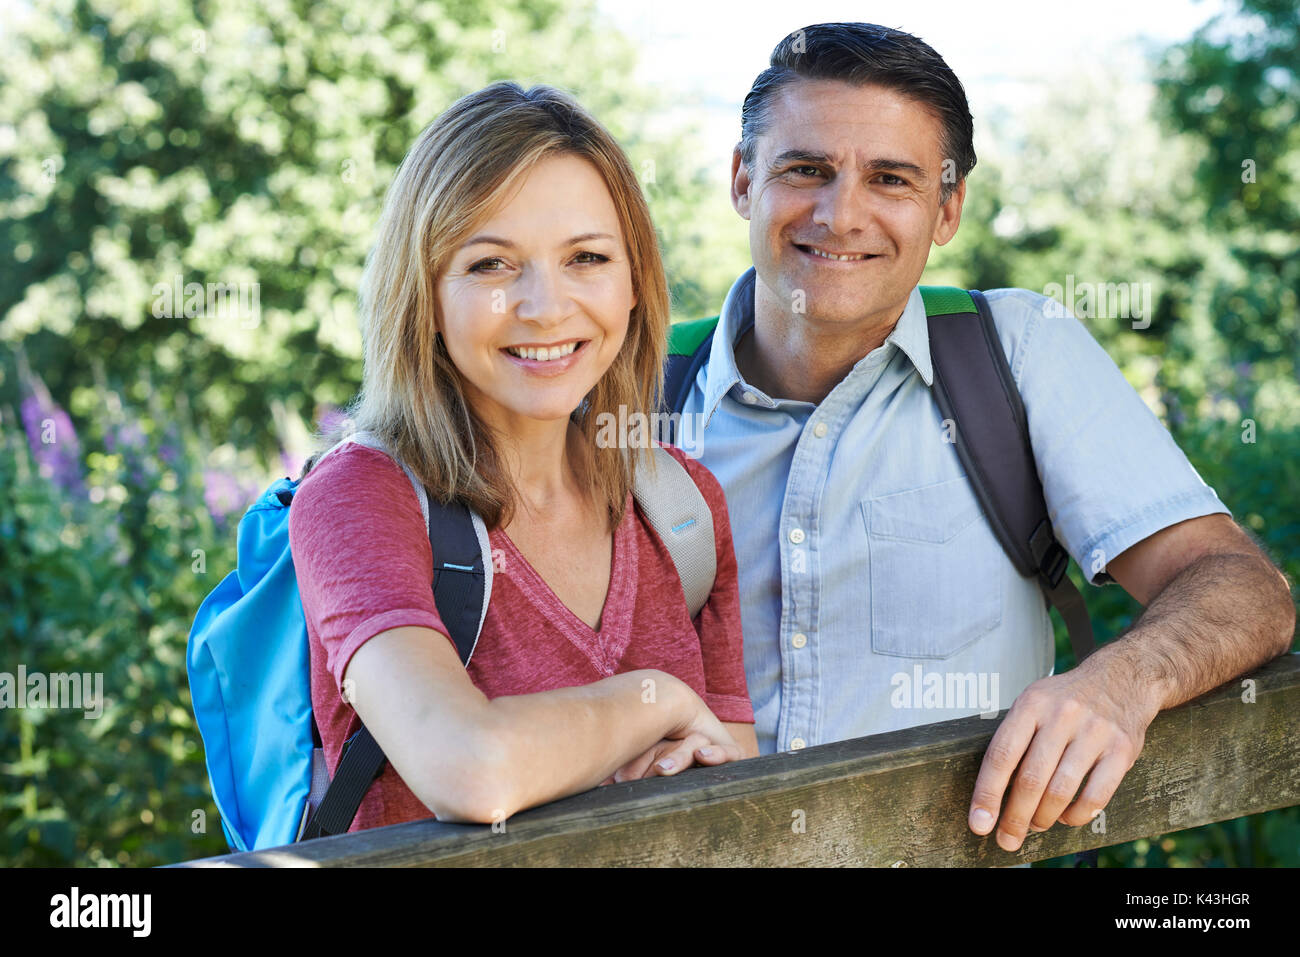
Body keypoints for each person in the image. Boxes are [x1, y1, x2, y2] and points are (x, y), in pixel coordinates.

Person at [676, 23, 1294, 854]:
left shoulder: (1020, 352)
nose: (840, 212)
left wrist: (1119, 680)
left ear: (948, 208)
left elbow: (1244, 587)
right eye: (805, 169)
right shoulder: (628, 384)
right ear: (744, 180)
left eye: (890, 178)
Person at [288, 81, 758, 830]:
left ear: (634, 284)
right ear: (424, 296)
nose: (545, 305)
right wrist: (657, 700)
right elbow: (469, 768)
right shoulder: (360, 498)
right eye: (491, 265)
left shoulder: (684, 508)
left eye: (587, 257)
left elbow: (736, 808)